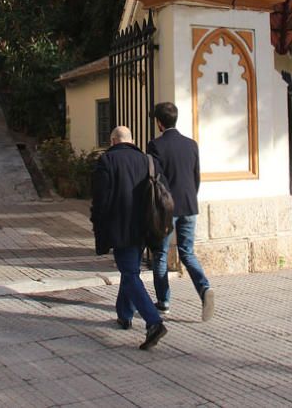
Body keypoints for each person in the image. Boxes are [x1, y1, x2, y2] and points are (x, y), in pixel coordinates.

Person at [90, 125, 167, 350]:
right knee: (130, 269)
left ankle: (153, 322)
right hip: (144, 227)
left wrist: (97, 223)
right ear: (131, 140)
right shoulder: (148, 161)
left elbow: (100, 199)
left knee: (130, 273)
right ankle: (124, 314)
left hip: (119, 227)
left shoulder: (107, 161)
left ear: (113, 141)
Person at [148, 102, 214, 321]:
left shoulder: (155, 145)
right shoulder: (191, 144)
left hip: (167, 209)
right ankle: (204, 289)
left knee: (160, 254)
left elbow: (156, 179)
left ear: (159, 122)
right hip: (190, 204)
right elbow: (196, 177)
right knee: (187, 252)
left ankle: (164, 302)